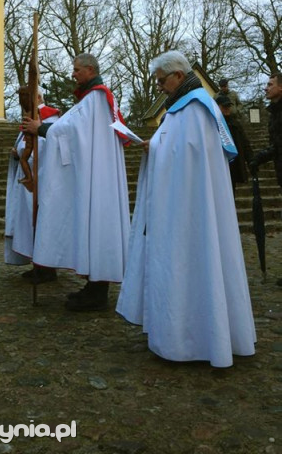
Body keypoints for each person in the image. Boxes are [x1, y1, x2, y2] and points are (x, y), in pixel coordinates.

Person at [116, 50, 256, 368]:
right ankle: (180, 334)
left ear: (178, 76)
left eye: (162, 81)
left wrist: (159, 152)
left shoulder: (196, 108)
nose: (160, 87)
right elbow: (177, 150)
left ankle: (195, 339)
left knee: (194, 262)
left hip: (191, 208)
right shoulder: (181, 109)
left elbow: (192, 156)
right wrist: (153, 147)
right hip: (180, 205)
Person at [22, 53, 130, 311]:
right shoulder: (93, 99)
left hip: (97, 175)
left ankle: (97, 292)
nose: (73, 74)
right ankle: (93, 287)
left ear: (90, 70)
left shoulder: (96, 98)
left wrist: (42, 128)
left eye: (77, 69)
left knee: (97, 226)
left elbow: (69, 130)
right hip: (96, 171)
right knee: (94, 227)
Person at [4, 90, 60, 283]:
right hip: (28, 177)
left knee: (40, 220)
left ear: (38, 97)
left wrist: (22, 152)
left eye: (26, 100)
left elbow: (46, 148)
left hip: (40, 178)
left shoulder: (49, 118)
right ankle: (38, 264)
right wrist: (17, 152)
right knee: (29, 221)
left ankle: (46, 267)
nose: (23, 105)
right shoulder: (32, 119)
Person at [249, 73, 282, 284]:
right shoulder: (276, 113)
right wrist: (261, 157)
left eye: (270, 84)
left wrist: (262, 156)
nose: (265, 88)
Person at [215, 93, 253, 194]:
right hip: (218, 166)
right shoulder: (212, 123)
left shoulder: (236, 124)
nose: (227, 108)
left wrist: (251, 160)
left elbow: (245, 143)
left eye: (228, 106)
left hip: (233, 166)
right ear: (217, 107)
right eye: (224, 106)